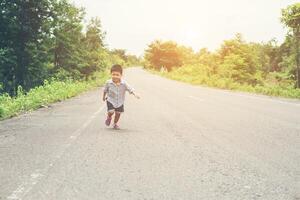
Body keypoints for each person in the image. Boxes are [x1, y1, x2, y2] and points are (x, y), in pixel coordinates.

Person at [102, 64, 140, 129]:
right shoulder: (108, 82)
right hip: (110, 100)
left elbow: (130, 89)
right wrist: (103, 97)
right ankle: (109, 117)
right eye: (113, 74)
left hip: (120, 101)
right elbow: (105, 90)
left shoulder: (124, 83)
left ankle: (115, 124)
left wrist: (135, 94)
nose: (115, 76)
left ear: (121, 75)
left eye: (117, 75)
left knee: (118, 114)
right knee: (111, 111)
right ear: (111, 74)